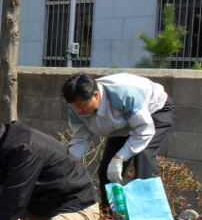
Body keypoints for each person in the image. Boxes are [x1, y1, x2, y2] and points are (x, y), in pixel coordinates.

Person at [62, 72, 174, 206]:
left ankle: (150, 212)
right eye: (74, 106)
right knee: (106, 169)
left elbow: (143, 131)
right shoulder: (76, 106)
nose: (78, 110)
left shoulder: (125, 95)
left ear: (96, 95)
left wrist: (120, 158)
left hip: (153, 111)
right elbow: (81, 138)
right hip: (125, 122)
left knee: (143, 156)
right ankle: (110, 216)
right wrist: (67, 164)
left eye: (81, 105)